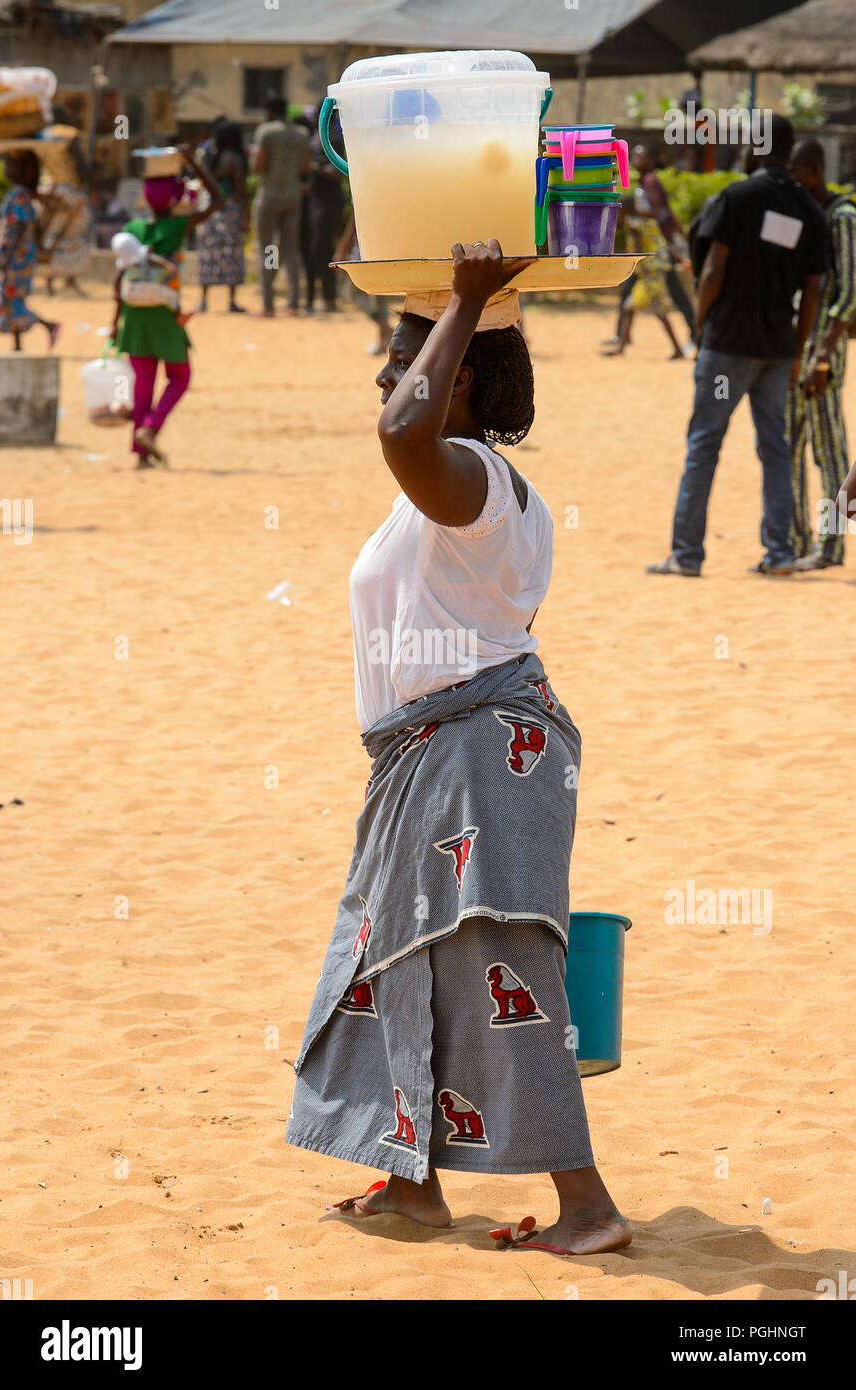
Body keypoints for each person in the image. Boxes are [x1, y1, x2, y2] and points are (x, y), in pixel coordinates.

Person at [285, 239, 632, 1258]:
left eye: (409, 356)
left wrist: (472, 294)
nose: (390, 376)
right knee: (395, 951)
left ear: (457, 375)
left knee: (493, 960)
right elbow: (404, 429)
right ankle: (413, 1181)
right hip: (435, 755)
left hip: (477, 753)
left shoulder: (469, 477)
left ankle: (591, 1206)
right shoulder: (453, 489)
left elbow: (401, 426)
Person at [648, 115, 827, 577]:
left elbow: (712, 270)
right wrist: (798, 349)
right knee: (775, 448)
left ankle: (686, 556)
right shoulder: (808, 209)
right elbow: (812, 289)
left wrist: (702, 323)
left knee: (705, 443)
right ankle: (781, 553)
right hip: (777, 350)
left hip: (728, 348)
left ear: (759, 147)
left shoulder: (736, 197)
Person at [110, 145, 225, 468]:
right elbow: (218, 201)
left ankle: (140, 454)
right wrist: (194, 163)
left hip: (133, 316)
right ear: (176, 199)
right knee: (179, 376)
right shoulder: (176, 228)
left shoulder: (133, 229)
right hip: (164, 314)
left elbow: (118, 281)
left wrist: (114, 322)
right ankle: (150, 427)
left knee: (143, 386)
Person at [787, 139, 856, 570]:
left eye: (797, 171)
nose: (792, 180)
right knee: (789, 444)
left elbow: (849, 294)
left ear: (812, 170)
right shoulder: (806, 215)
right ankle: (795, 542)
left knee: (829, 449)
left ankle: (831, 547)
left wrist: (823, 357)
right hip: (797, 348)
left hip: (823, 352)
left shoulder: (842, 217)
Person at [605, 145, 696, 351]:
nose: (635, 161)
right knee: (631, 297)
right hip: (653, 254)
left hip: (657, 251)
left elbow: (660, 211)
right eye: (634, 157)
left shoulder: (650, 182)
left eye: (640, 157)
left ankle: (692, 335)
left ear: (651, 160)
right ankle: (621, 338)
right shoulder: (644, 183)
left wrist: (641, 214)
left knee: (674, 297)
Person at [602, 194, 687, 360]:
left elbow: (638, 248)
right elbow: (664, 242)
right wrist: (679, 257)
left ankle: (677, 350)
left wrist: (627, 267)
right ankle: (676, 349)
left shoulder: (633, 224)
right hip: (656, 269)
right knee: (642, 309)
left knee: (640, 309)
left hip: (651, 272)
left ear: (624, 210)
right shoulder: (648, 221)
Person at [0, 151, 60, 351]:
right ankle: (17, 345)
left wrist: (8, 256)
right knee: (9, 299)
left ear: (22, 170)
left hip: (17, 258)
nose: (6, 169)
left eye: (10, 165)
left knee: (13, 299)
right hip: (16, 256)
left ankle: (49, 325)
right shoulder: (19, 193)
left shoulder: (20, 194)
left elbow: (21, 226)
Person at [251, 94, 310, 317]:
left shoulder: (265, 132)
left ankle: (268, 305)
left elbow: (258, 166)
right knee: (291, 250)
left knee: (269, 250)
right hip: (292, 197)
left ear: (269, 112)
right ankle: (293, 304)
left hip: (268, 198)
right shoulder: (302, 134)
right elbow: (304, 167)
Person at [36, 110, 92, 296]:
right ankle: (69, 277)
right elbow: (80, 164)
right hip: (68, 191)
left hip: (46, 190)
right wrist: (89, 175)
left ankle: (52, 280)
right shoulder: (69, 134)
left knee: (52, 234)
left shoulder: (42, 135)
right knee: (74, 235)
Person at [197, 118, 249, 313]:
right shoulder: (235, 159)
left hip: (208, 210)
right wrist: (247, 216)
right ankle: (232, 301)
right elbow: (240, 189)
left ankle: (203, 300)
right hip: (230, 210)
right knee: (232, 253)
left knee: (207, 254)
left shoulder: (207, 155)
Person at [301, 109, 346, 313]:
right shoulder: (317, 135)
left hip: (329, 202)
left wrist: (311, 167)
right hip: (315, 201)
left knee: (322, 248)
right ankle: (314, 298)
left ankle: (330, 298)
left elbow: (336, 173)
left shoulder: (334, 137)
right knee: (313, 249)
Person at [333, 209, 391, 353]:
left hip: (364, 252)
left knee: (351, 293)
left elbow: (354, 218)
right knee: (379, 296)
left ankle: (386, 329)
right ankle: (384, 340)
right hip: (382, 249)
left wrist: (342, 248)